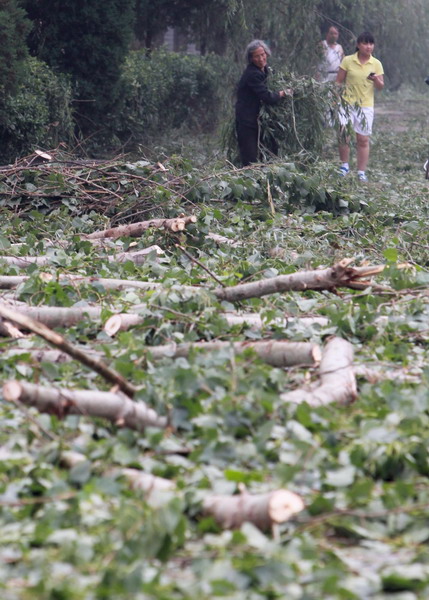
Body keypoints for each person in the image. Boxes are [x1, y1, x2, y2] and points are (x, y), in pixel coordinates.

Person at [336, 31, 384, 182]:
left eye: (371, 43)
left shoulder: (376, 63)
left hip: (365, 106)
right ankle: (344, 165)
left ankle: (361, 171)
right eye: (365, 43)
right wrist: (335, 99)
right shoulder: (348, 61)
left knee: (363, 139)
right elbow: (338, 82)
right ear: (358, 45)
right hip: (346, 103)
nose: (368, 47)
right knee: (344, 133)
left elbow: (381, 86)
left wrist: (376, 79)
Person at [235, 40, 286, 166]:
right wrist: (283, 93)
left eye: (262, 54)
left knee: (269, 153)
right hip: (247, 121)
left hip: (260, 120)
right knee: (250, 158)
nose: (261, 58)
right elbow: (267, 96)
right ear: (251, 59)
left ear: (267, 53)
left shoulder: (266, 71)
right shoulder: (252, 74)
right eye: (257, 56)